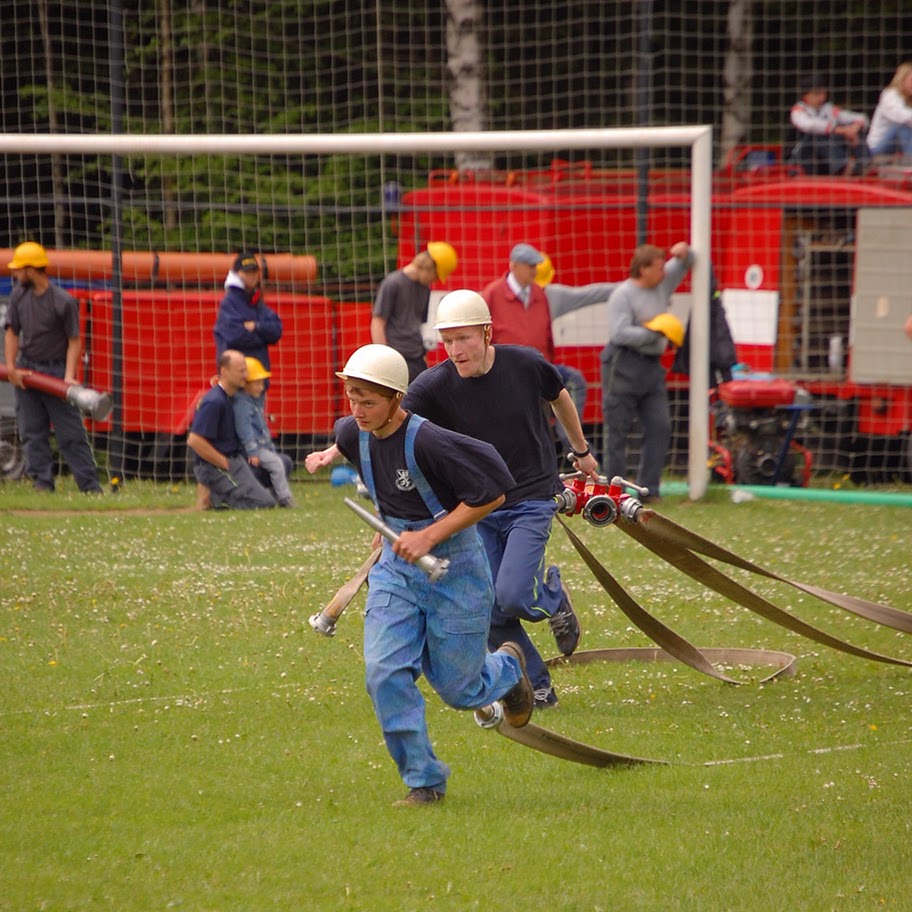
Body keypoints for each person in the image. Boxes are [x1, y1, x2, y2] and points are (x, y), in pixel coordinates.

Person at [305, 343, 532, 807]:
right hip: (396, 569)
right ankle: (423, 781)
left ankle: (508, 669)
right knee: (384, 673)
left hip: (456, 568)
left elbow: (491, 495)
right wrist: (383, 517)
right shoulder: (351, 432)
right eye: (352, 397)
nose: (357, 410)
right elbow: (376, 470)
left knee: (460, 689)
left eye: (369, 401)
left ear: (396, 399)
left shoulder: (431, 441)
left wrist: (428, 536)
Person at [405, 290, 600, 710]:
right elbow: (395, 423)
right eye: (448, 341)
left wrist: (581, 450)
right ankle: (537, 685)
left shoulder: (525, 364)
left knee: (510, 595)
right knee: (488, 609)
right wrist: (340, 447)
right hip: (479, 508)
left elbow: (559, 395)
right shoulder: (434, 386)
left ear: (487, 333)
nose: (456, 350)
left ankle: (552, 596)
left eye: (465, 339)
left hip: (530, 497)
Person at [2, 241, 103, 493]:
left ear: (32, 269)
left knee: (70, 434)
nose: (14, 273)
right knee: (31, 431)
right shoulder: (17, 296)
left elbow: (74, 342)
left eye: (18, 269)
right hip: (27, 372)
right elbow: (12, 333)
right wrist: (12, 368)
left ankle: (90, 486)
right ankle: (42, 484)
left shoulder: (63, 301)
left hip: (56, 373)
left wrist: (68, 376)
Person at [601, 242, 693, 503]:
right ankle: (615, 493)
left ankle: (649, 490)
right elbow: (619, 332)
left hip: (652, 367)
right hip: (622, 365)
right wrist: (655, 331)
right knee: (617, 431)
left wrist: (684, 252)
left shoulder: (661, 285)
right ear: (643, 270)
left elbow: (687, 261)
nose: (665, 273)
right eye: (658, 268)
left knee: (660, 425)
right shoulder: (623, 295)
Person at [482, 243, 590, 456]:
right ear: (514, 266)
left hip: (538, 373)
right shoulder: (492, 295)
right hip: (505, 377)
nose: (535, 270)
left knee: (540, 431)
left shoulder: (540, 294)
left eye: (535, 265)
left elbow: (546, 333)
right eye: (530, 265)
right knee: (509, 432)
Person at [187, 349, 276, 509]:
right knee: (262, 503)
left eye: (246, 370)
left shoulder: (234, 398)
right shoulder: (214, 401)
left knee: (268, 498)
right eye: (241, 371)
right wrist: (225, 464)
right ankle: (216, 500)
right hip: (219, 466)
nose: (246, 375)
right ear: (224, 371)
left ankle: (217, 496)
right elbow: (195, 441)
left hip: (236, 460)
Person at [371, 242, 457, 383]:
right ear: (430, 267)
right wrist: (384, 358)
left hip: (417, 359)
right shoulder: (392, 283)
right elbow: (378, 322)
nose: (435, 280)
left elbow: (419, 325)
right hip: (396, 357)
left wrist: (423, 357)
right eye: (436, 276)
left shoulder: (425, 288)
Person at [233, 357, 295, 507]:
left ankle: (274, 494)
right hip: (254, 448)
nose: (262, 387)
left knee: (281, 462)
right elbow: (244, 429)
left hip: (262, 446)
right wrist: (253, 451)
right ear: (245, 384)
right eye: (257, 384)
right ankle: (284, 498)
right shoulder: (242, 405)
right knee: (277, 465)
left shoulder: (253, 401)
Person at [213, 252, 283, 371]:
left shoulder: (257, 303)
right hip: (235, 379)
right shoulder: (229, 303)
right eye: (247, 272)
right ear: (236, 274)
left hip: (257, 378)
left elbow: (277, 329)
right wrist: (263, 338)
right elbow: (236, 336)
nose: (252, 276)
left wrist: (256, 327)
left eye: (254, 272)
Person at [788, 76, 869, 176]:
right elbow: (810, 125)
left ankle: (866, 164)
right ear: (805, 96)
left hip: (825, 159)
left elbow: (861, 118)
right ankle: (843, 167)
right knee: (817, 134)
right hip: (804, 158)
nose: (822, 98)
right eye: (817, 94)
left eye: (823, 93)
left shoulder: (828, 109)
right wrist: (839, 130)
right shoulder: (798, 111)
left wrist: (854, 128)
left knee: (854, 130)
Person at [867, 62, 912, 159]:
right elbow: (902, 117)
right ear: (902, 79)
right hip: (878, 148)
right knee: (901, 125)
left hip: (899, 145)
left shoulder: (909, 98)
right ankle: (910, 163)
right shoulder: (889, 95)